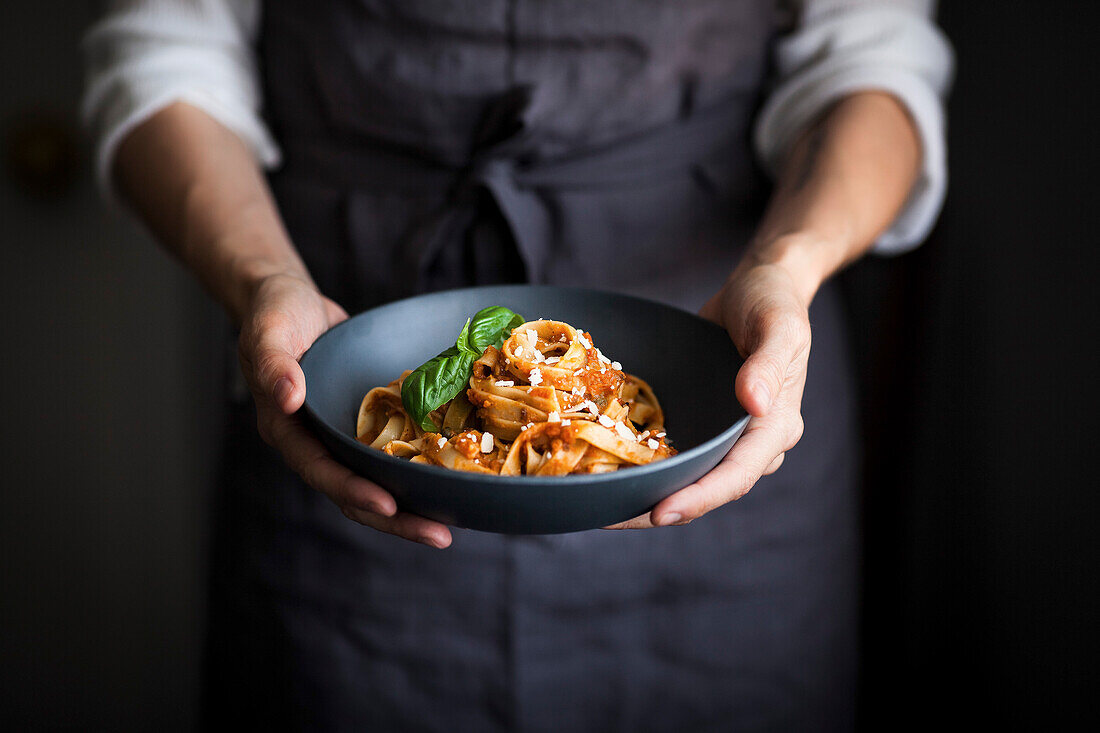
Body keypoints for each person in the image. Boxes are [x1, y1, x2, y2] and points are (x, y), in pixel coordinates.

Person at [83, 0, 952, 729]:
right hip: (331, 396)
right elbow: (166, 51)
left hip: (720, 399)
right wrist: (263, 279)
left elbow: (871, 60)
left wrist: (789, 267)